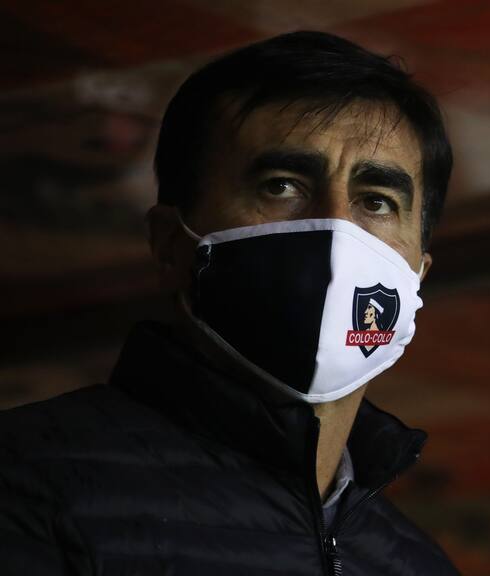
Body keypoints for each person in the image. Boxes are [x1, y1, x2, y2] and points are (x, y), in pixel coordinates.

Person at [0, 31, 457, 575]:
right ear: (172, 242)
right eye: (282, 186)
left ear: (417, 274)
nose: (335, 230)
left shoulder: (416, 565)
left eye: (377, 201)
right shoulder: (27, 481)